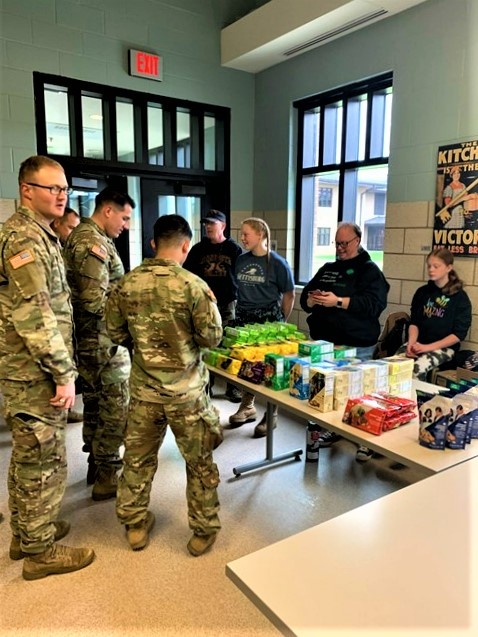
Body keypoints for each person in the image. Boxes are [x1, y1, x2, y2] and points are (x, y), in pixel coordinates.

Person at [105, 214, 223, 556]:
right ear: (185, 245)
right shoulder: (193, 285)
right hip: (186, 393)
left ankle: (136, 525)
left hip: (143, 391)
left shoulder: (125, 284)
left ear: (154, 243)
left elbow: (114, 333)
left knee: (138, 460)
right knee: (199, 462)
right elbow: (212, 338)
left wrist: (145, 347)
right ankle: (202, 531)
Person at [0, 155, 94, 580]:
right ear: (27, 190)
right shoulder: (25, 240)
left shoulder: (41, 235)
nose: (61, 196)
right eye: (52, 188)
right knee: (43, 457)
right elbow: (35, 315)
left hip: (30, 369)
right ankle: (40, 552)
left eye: (64, 189)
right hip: (35, 373)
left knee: (28, 454)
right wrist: (64, 373)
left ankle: (26, 533)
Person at [63, 188, 134, 499]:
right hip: (103, 341)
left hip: (94, 341)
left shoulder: (87, 237)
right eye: (125, 217)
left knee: (96, 405)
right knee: (114, 409)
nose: (126, 225)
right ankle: (107, 474)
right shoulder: (92, 243)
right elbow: (93, 300)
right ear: (108, 210)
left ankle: (96, 463)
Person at [300, 222, 389, 462]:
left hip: (356, 343)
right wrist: (312, 300)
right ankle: (330, 428)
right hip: (325, 342)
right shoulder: (328, 268)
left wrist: (338, 301)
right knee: (328, 393)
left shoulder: (370, 271)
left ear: (357, 241)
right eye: (337, 243)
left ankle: (365, 441)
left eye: (344, 243)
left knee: (360, 395)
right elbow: (305, 297)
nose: (340, 248)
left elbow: (373, 306)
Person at [229, 217, 295, 438]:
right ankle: (247, 405)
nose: (242, 237)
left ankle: (272, 414)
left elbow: (289, 294)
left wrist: (280, 323)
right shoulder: (240, 260)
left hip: (268, 320)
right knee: (247, 365)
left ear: (261, 235)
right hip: (244, 317)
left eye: (246, 233)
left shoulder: (277, 263)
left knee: (269, 369)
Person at [184, 209, 243, 402]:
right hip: (204, 306)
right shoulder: (198, 249)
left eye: (212, 223)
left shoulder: (234, 249)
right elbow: (188, 275)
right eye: (206, 224)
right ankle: (206, 385)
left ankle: (232, 387)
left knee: (229, 345)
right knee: (206, 344)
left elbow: (241, 277)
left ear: (223, 226)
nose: (208, 227)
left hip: (227, 304)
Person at [398, 248, 471, 380]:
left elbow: (458, 335)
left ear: (449, 268)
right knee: (395, 366)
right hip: (418, 344)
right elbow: (414, 322)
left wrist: (427, 347)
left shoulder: (460, 298)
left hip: (444, 348)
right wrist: (411, 343)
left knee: (416, 370)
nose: (431, 270)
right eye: (429, 266)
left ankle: (417, 399)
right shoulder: (422, 292)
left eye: (436, 266)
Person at [52, 206, 83, 425]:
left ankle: (67, 409)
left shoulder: (64, 247)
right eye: (70, 227)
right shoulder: (48, 248)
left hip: (65, 321)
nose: (74, 233)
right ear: (57, 224)